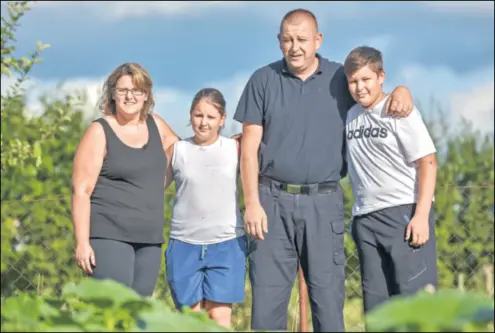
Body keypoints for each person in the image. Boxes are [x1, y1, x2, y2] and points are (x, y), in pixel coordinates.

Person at [233, 8, 415, 332]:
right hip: (270, 204)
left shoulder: (338, 78)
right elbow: (248, 148)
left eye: (302, 39)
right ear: (278, 41)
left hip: (324, 202)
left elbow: (372, 95)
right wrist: (252, 203)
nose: (295, 47)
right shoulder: (262, 80)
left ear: (318, 40)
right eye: (288, 39)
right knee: (266, 312)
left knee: (328, 307)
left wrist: (401, 91)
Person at [344, 46, 438, 315]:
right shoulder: (351, 115)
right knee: (378, 311)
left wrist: (421, 215)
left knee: (416, 306)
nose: (360, 87)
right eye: (353, 81)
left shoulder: (398, 109)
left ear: (381, 76)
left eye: (366, 79)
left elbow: (428, 161)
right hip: (365, 219)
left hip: (403, 214)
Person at [71, 62, 179, 297]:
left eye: (136, 90)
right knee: (114, 311)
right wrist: (82, 243)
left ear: (146, 94)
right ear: (112, 94)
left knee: (139, 314)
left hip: (149, 240)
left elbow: (181, 149)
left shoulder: (157, 125)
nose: (130, 96)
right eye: (123, 90)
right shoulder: (100, 131)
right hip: (109, 236)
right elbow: (81, 190)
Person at [164, 88, 246, 329]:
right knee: (191, 321)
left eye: (211, 117)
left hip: (227, 243)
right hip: (184, 244)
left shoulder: (235, 149)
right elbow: (152, 187)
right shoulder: (177, 150)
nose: (203, 123)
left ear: (222, 119)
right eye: (198, 115)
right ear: (190, 116)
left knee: (219, 319)